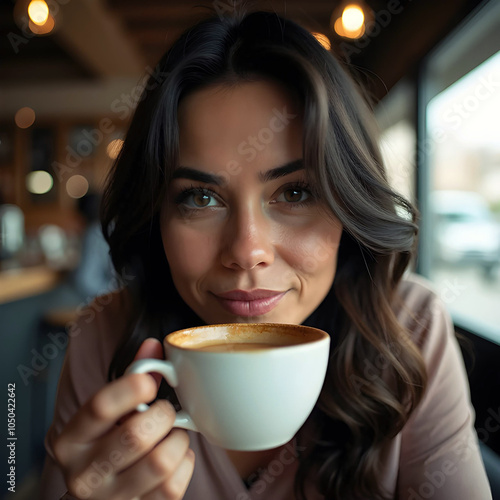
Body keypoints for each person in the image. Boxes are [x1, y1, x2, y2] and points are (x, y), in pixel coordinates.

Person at [40, 8, 493, 500]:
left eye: (296, 193)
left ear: (349, 202)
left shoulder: (410, 327)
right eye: (200, 197)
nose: (247, 251)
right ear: (157, 216)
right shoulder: (105, 339)